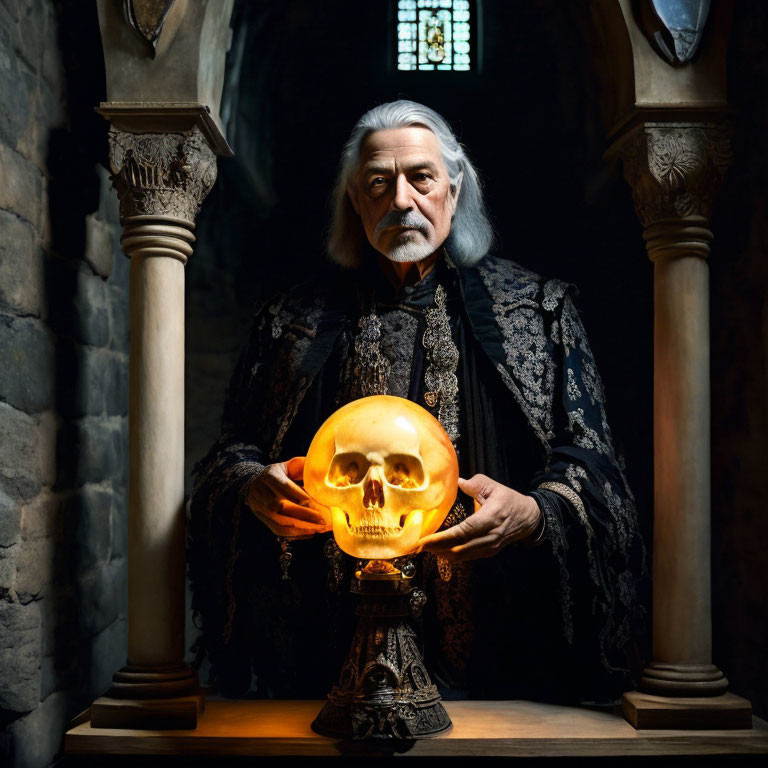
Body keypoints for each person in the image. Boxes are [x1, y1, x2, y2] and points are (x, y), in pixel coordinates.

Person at [188, 100, 645, 703]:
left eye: (421, 178)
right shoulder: (289, 322)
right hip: (320, 673)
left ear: (453, 191)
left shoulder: (540, 312)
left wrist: (534, 515)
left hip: (502, 669)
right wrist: (252, 485)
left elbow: (598, 473)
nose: (401, 200)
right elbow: (227, 459)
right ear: (356, 202)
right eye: (378, 183)